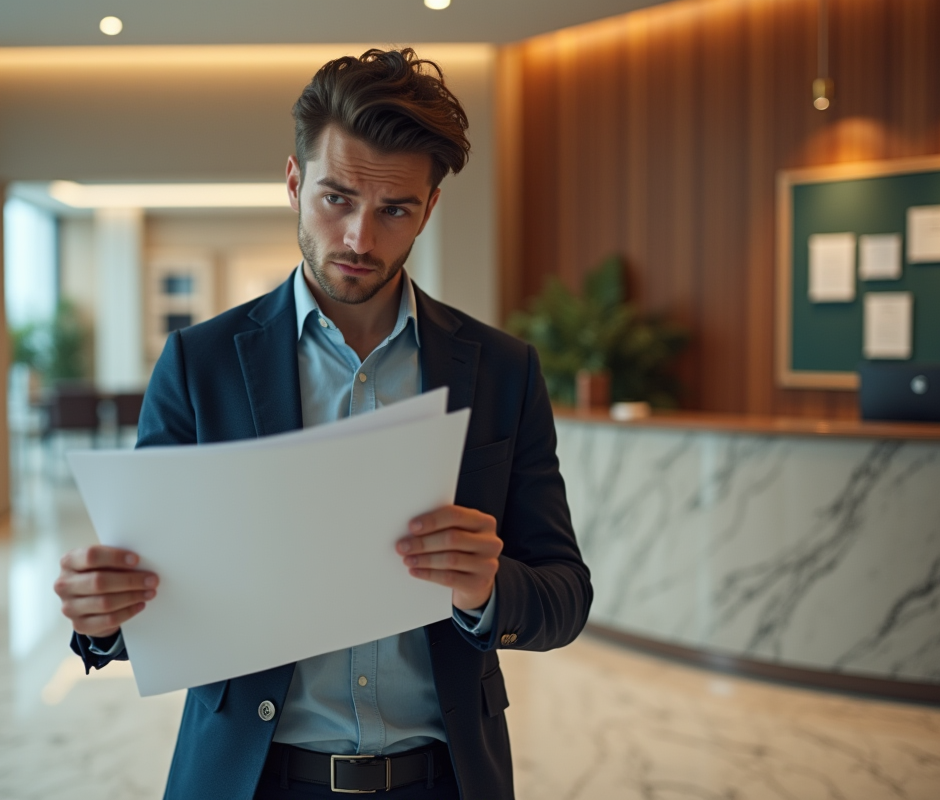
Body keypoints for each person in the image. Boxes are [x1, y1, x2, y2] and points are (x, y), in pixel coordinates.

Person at [53, 48, 592, 800]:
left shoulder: (504, 371)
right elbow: (148, 588)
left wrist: (488, 588)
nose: (359, 240)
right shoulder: (197, 363)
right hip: (251, 779)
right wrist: (104, 617)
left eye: (395, 210)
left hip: (443, 779)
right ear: (294, 182)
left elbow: (566, 594)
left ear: (430, 209)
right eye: (336, 198)